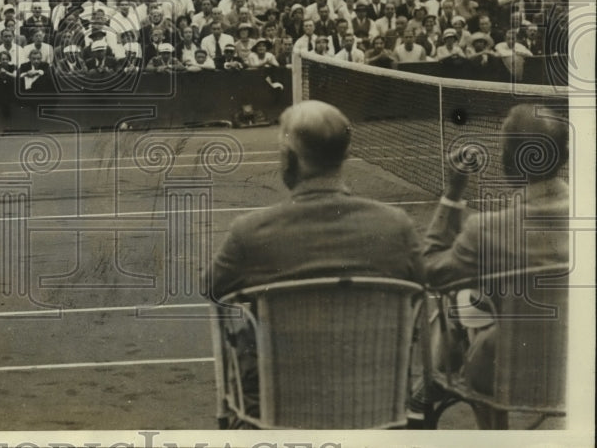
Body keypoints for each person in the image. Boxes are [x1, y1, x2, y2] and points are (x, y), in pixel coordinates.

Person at [207, 100, 424, 420]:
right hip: (376, 407)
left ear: (288, 159)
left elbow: (212, 288)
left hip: (281, 414)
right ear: (345, 155)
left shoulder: (250, 233)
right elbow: (420, 287)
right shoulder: (397, 227)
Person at [421, 104, 569, 428]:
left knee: (459, 312)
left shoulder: (487, 229)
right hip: (574, 363)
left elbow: (431, 268)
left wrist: (454, 191)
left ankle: (434, 400)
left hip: (509, 372)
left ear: (507, 162)